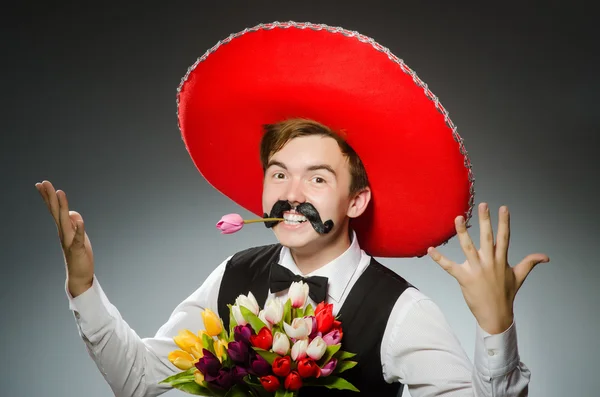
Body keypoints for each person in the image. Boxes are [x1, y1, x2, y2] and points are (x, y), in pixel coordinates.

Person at [35, 22, 549, 396]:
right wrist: (84, 287)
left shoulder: (402, 311)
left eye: (318, 178)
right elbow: (144, 381)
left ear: (356, 200)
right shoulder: (233, 275)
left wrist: (495, 329)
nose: (292, 194)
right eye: (279, 173)